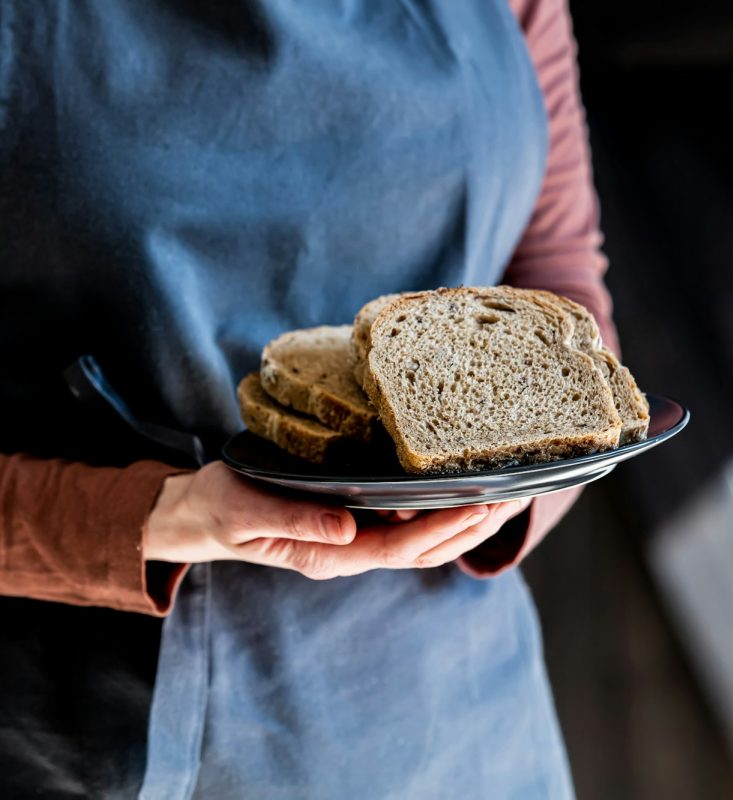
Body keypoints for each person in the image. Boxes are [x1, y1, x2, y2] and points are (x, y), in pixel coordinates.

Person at [0, 0, 620, 796]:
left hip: (462, 724)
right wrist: (162, 515)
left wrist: (497, 494)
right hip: (104, 735)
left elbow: (562, 285)